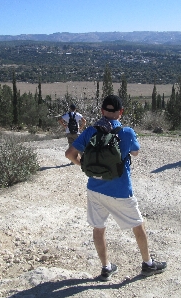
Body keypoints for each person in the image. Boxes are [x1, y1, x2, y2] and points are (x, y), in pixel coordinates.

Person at [65, 95, 167, 281]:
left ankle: (106, 268)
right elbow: (135, 152)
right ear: (121, 112)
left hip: (94, 188)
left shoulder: (90, 131)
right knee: (138, 225)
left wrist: (84, 167)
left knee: (98, 228)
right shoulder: (126, 132)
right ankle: (148, 264)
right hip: (120, 190)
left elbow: (70, 153)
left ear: (102, 111)